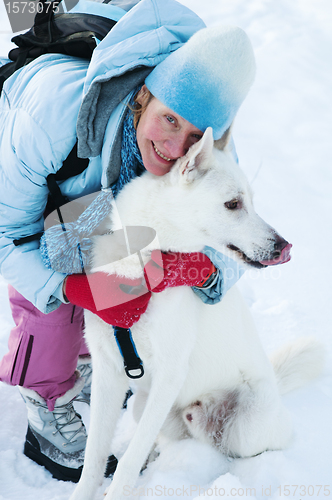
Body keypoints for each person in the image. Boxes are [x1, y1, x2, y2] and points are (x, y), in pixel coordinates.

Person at [0, 0, 255, 483]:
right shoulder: (49, 116)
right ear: (144, 95)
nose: (176, 149)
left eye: (196, 135)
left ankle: (90, 359)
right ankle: (46, 395)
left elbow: (233, 231)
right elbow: (7, 236)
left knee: (123, 260)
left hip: (108, 194)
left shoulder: (209, 136)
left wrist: (203, 270)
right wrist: (75, 290)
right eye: (170, 120)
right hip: (44, 167)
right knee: (60, 277)